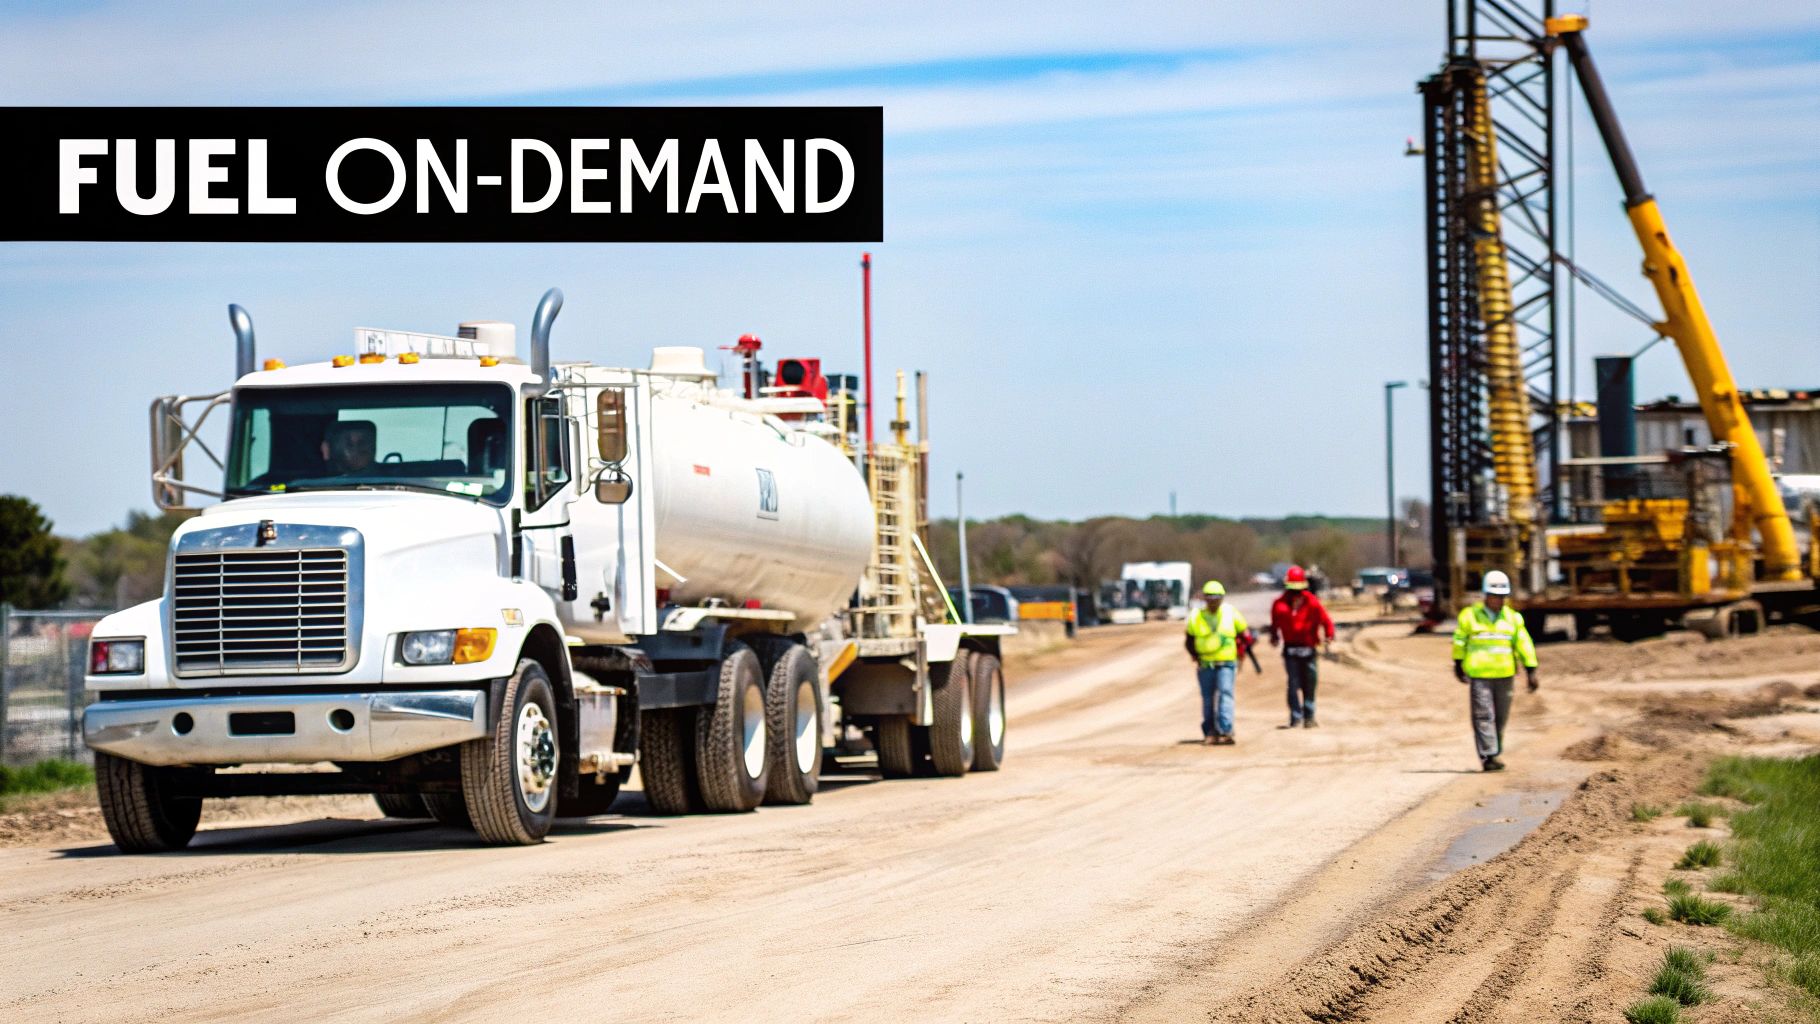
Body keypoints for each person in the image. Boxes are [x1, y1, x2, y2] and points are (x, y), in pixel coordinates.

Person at [1451, 569, 1539, 772]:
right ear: (1485, 595)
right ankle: (1488, 755)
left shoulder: (1513, 618)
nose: (1497, 600)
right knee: (1483, 716)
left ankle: (1494, 752)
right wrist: (1458, 663)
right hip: (1480, 675)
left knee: (1500, 717)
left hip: (1505, 674)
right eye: (1493, 596)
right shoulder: (1470, 616)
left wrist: (1531, 669)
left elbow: (1524, 643)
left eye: (1501, 597)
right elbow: (1459, 640)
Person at [1184, 580, 1253, 746]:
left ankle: (1225, 730)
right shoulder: (1196, 616)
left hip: (1226, 663)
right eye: (1210, 598)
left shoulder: (1231, 613)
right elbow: (1189, 640)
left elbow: (1245, 635)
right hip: (1206, 664)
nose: (1213, 601)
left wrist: (1242, 652)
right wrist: (1195, 656)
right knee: (1208, 699)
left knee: (1225, 694)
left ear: (1222, 598)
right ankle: (1210, 732)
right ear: (1205, 599)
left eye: (1217, 598)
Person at [1269, 565, 1335, 728]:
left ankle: (1309, 716)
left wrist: (1329, 635)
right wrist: (1274, 636)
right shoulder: (1279, 605)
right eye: (1293, 590)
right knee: (1293, 684)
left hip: (1309, 649)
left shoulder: (1312, 602)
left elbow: (1325, 620)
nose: (1296, 594)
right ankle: (1295, 716)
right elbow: (1274, 624)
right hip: (1291, 649)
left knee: (1309, 684)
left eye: (1298, 590)